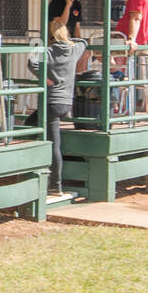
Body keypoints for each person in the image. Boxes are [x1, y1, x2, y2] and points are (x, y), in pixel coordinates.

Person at [28, 21, 87, 195]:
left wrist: (45, 78)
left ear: (51, 35)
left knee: (53, 144)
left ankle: (55, 185)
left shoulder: (48, 51)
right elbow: (84, 42)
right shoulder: (74, 49)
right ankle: (43, 172)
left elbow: (31, 63)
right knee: (31, 125)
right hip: (66, 102)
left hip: (51, 101)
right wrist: (69, 38)